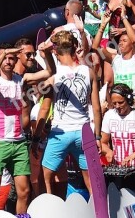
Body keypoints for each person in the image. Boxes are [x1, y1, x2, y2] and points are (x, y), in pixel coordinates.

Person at [0, 42, 54, 214]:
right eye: (4, 58)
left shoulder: (21, 80)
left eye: (11, 58)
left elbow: (50, 72)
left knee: (24, 191)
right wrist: (4, 52)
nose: (8, 61)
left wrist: (47, 54)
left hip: (19, 143)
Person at [41, 30, 102, 195]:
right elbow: (96, 108)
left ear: (56, 51)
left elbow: (39, 92)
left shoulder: (55, 76)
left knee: (45, 177)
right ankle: (98, 209)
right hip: (84, 132)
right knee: (90, 179)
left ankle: (50, 207)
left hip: (61, 133)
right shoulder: (89, 72)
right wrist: (97, 137)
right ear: (74, 48)